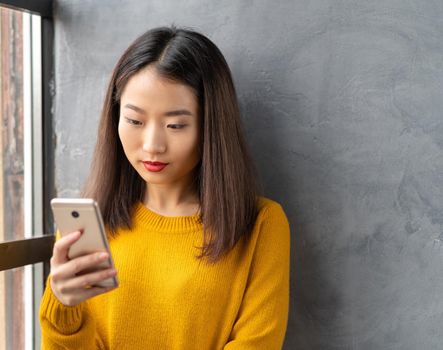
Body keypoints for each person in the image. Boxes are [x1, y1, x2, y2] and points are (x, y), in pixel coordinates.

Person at [39, 25, 291, 349]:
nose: (152, 145)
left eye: (175, 125)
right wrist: (62, 306)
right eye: (134, 121)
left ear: (210, 126)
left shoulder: (260, 225)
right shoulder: (86, 226)